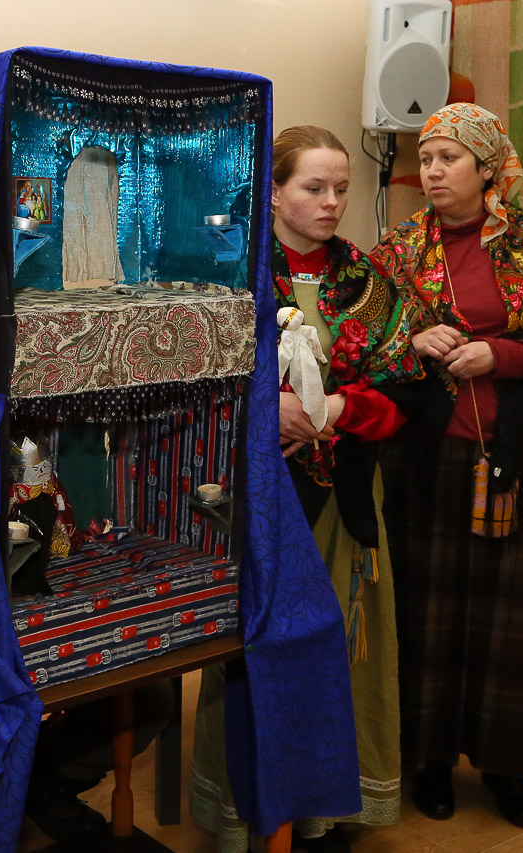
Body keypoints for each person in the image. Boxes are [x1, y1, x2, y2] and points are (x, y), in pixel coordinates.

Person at [192, 126, 423, 853]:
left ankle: (322, 814)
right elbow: (190, 381)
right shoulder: (228, 271)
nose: (331, 202)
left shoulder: (370, 282)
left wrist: (338, 409)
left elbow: (408, 388)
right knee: (256, 652)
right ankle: (249, 811)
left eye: (341, 189)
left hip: (343, 499)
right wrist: (266, 410)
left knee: (339, 650)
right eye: (312, 187)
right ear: (273, 190)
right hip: (251, 499)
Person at [371, 102, 523, 831]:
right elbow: (362, 335)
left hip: (508, 457)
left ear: (489, 168)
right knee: (426, 613)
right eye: (426, 158)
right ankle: (430, 759)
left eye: (449, 158)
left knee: (511, 620)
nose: (432, 171)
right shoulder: (399, 250)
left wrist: (501, 354)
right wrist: (413, 342)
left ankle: (506, 766)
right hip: (424, 456)